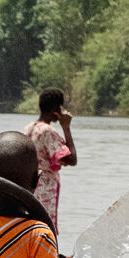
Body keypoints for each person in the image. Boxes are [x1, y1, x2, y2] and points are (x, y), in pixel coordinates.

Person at [22, 88, 77, 225]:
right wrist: (66, 127)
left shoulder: (28, 128)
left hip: (26, 187)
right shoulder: (48, 132)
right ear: (56, 108)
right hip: (43, 188)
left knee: (28, 226)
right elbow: (71, 159)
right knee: (43, 227)